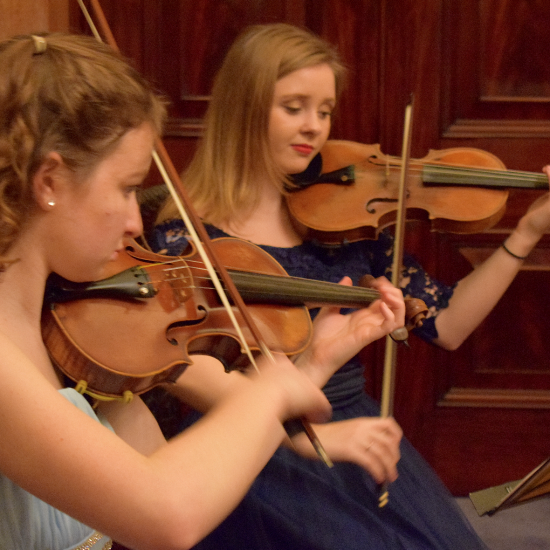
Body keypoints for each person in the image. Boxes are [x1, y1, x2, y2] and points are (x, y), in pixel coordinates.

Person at [0, 32, 407, 550]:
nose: (135, 222)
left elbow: (168, 469)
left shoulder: (65, 335)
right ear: (50, 182)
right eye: (127, 188)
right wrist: (270, 393)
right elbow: (166, 514)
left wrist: (308, 370)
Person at [152, 23, 550, 550]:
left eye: (325, 110)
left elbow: (448, 325)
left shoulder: (347, 221)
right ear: (244, 108)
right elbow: (173, 361)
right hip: (244, 439)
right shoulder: (186, 234)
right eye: (294, 107)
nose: (314, 127)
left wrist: (527, 232)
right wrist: (301, 432)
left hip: (352, 421)